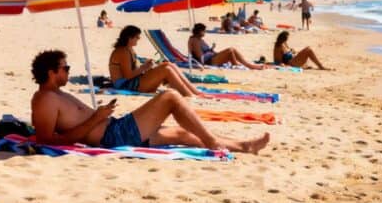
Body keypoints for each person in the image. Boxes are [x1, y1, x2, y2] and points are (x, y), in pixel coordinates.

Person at [30, 50, 269, 153]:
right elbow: (47, 140)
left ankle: (244, 147)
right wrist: (96, 117)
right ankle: (213, 141)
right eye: (65, 68)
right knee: (170, 97)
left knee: (181, 134)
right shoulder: (44, 100)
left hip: (113, 129)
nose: (68, 71)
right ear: (52, 72)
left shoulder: (56, 95)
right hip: (112, 136)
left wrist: (100, 117)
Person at [108, 25, 208, 97]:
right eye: (137, 37)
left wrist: (146, 66)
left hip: (133, 82)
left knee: (168, 64)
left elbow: (132, 70)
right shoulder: (122, 51)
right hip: (126, 85)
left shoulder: (128, 49)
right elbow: (127, 75)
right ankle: (190, 94)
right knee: (166, 69)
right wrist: (144, 68)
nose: (139, 39)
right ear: (130, 38)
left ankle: (194, 92)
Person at [188, 23, 268, 69]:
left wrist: (212, 49)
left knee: (232, 50)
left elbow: (205, 51)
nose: (205, 32)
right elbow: (201, 58)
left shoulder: (199, 39)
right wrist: (213, 54)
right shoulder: (195, 40)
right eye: (204, 31)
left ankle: (241, 64)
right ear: (199, 31)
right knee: (230, 50)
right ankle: (247, 65)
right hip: (209, 61)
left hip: (211, 57)